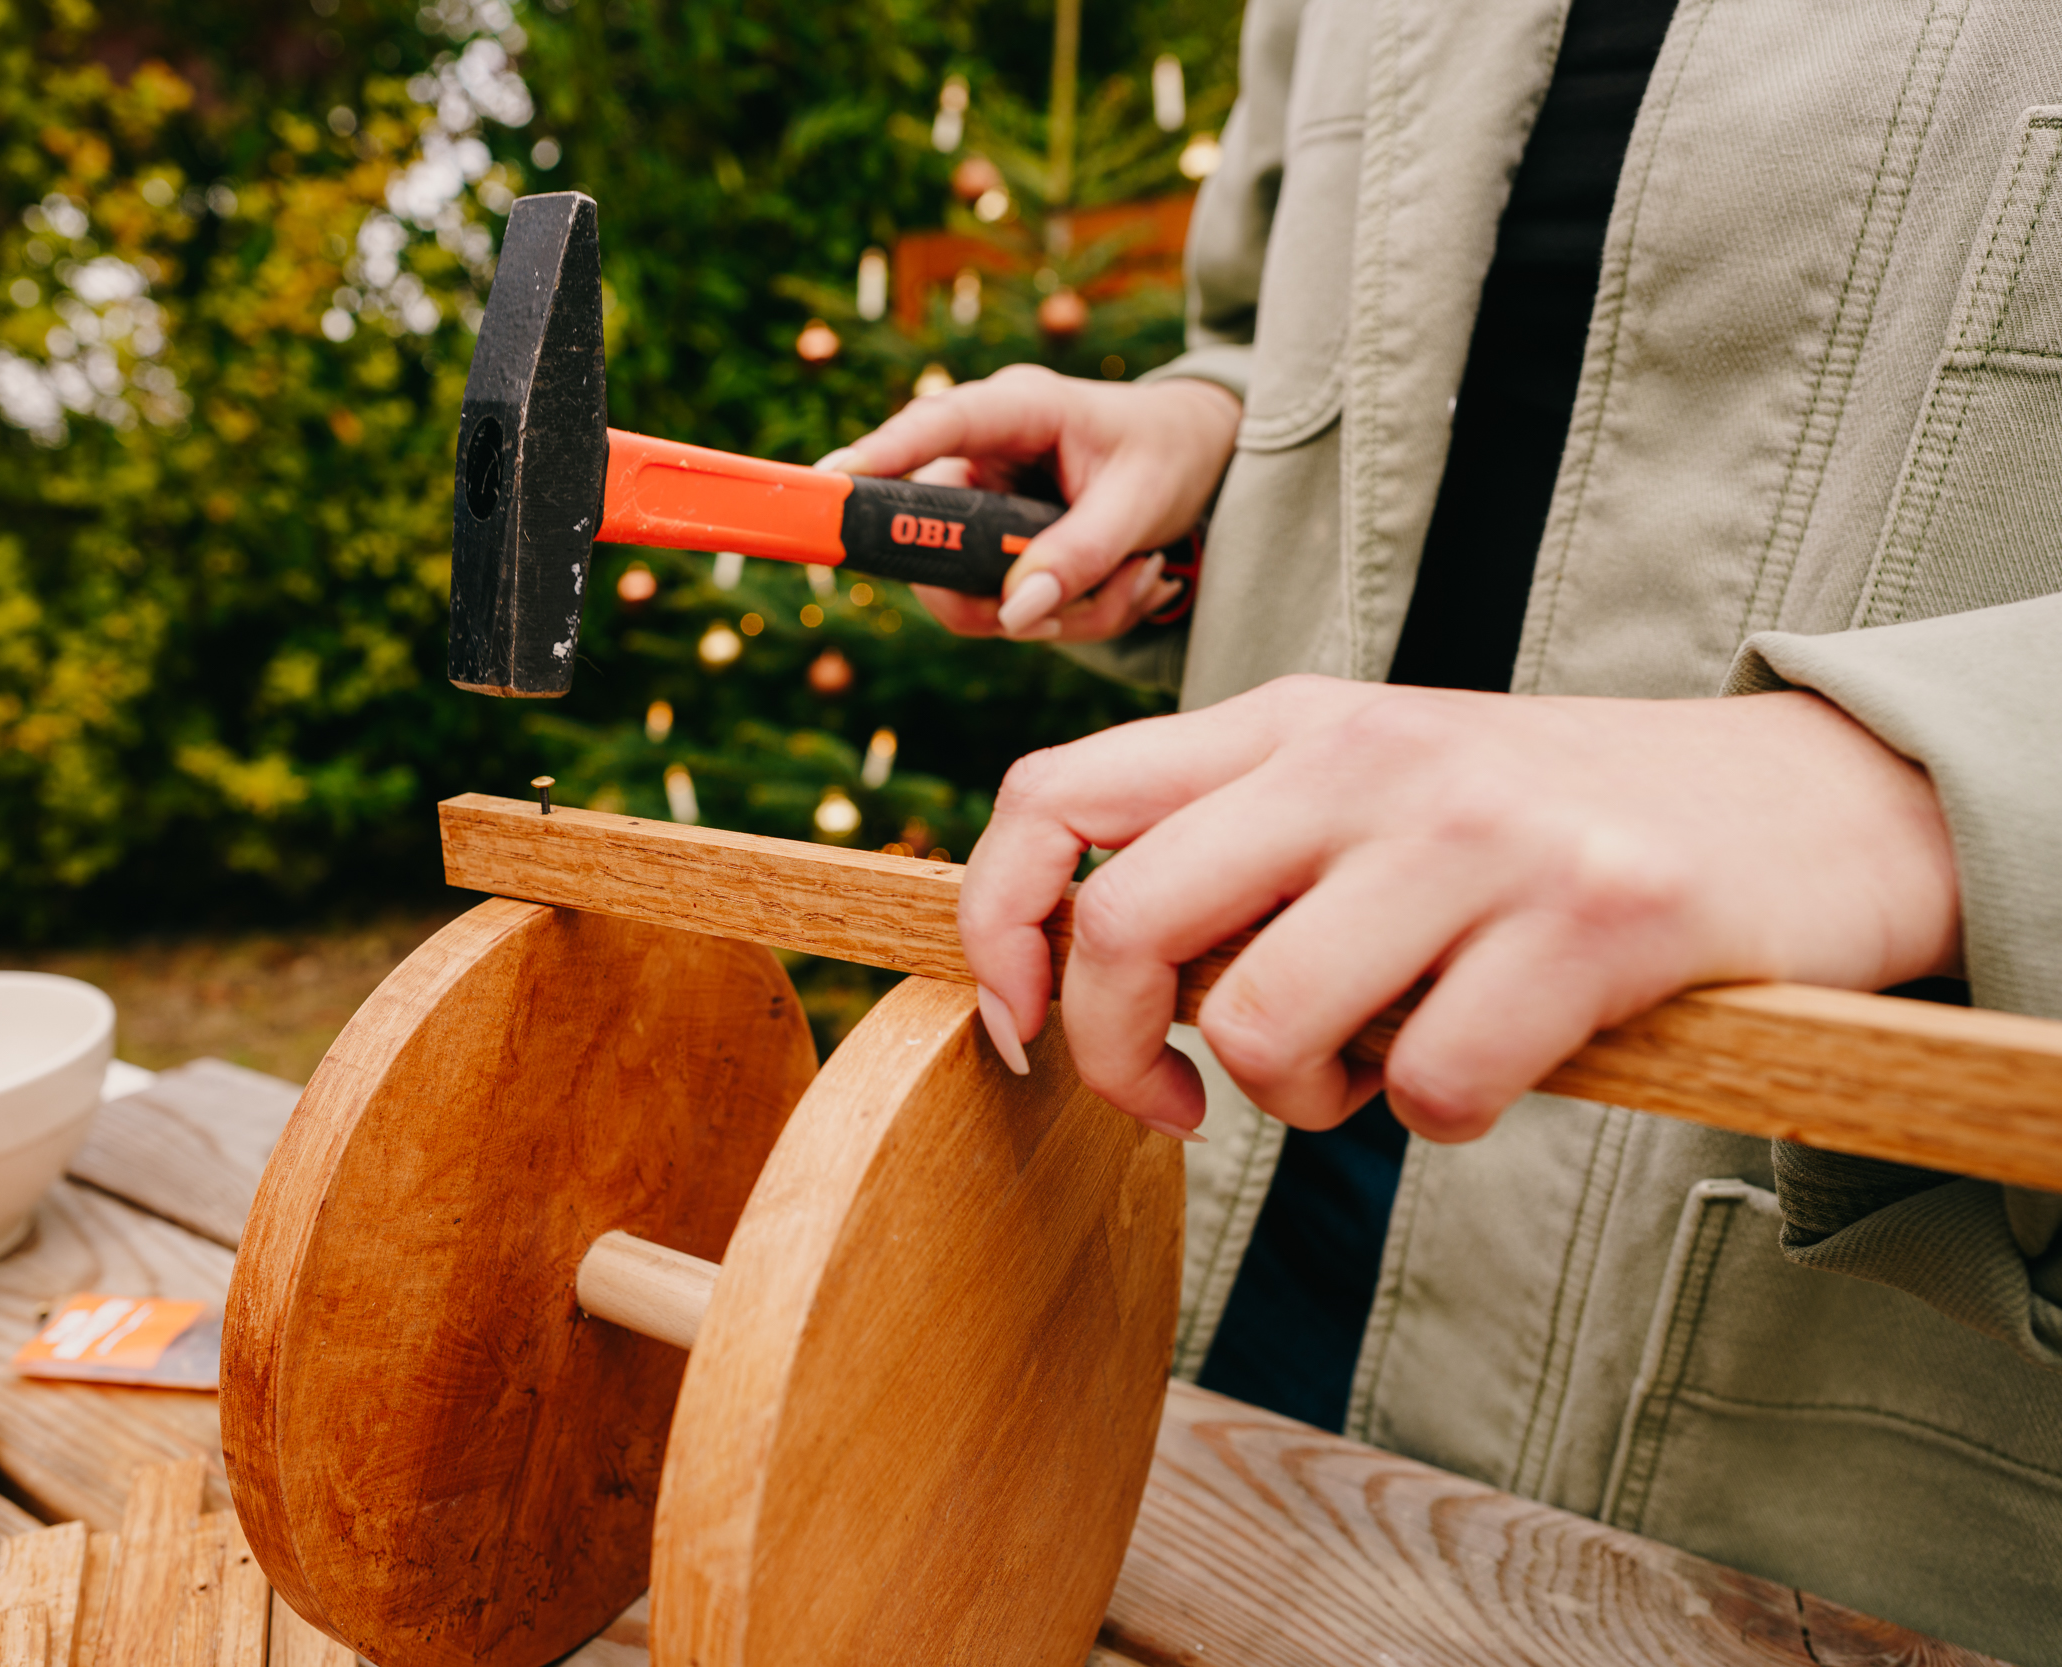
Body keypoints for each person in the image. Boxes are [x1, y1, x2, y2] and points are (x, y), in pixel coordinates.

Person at [820, 1, 2062, 1660]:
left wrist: (1899, 789)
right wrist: (1213, 437)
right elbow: (1282, 335)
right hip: (1238, 1188)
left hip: (1812, 1394)